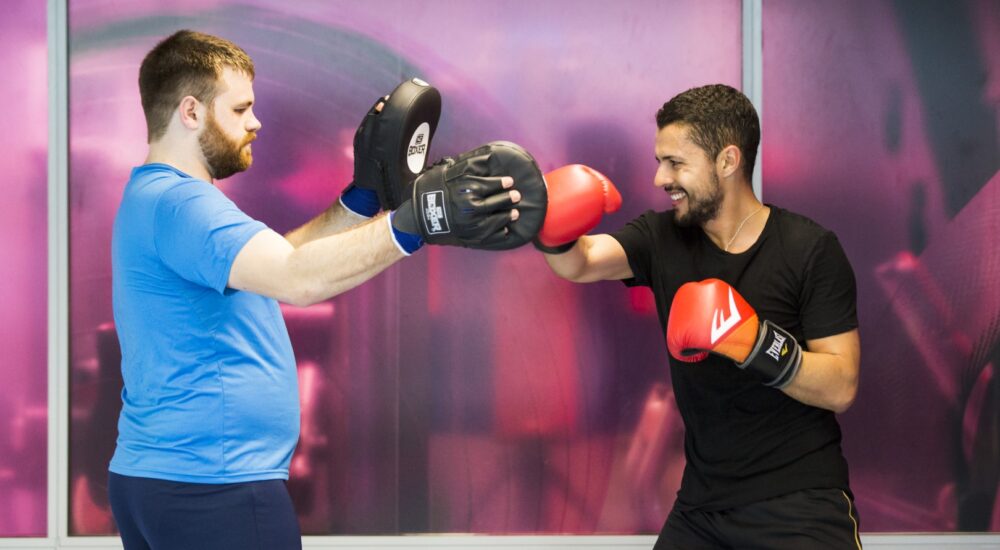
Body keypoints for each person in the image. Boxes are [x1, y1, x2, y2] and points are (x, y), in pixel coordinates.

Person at [108, 30, 541, 550]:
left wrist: (360, 200)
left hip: (164, 480)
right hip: (212, 489)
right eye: (241, 109)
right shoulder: (185, 207)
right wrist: (416, 221)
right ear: (192, 112)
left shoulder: (155, 197)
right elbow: (297, 278)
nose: (256, 122)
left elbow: (277, 261)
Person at [539, 84, 862, 549]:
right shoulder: (663, 236)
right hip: (701, 507)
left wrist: (753, 343)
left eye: (675, 163)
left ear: (727, 162)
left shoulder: (808, 249)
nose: (659, 179)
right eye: (658, 162)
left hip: (800, 501)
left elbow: (842, 385)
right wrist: (550, 228)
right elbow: (581, 262)